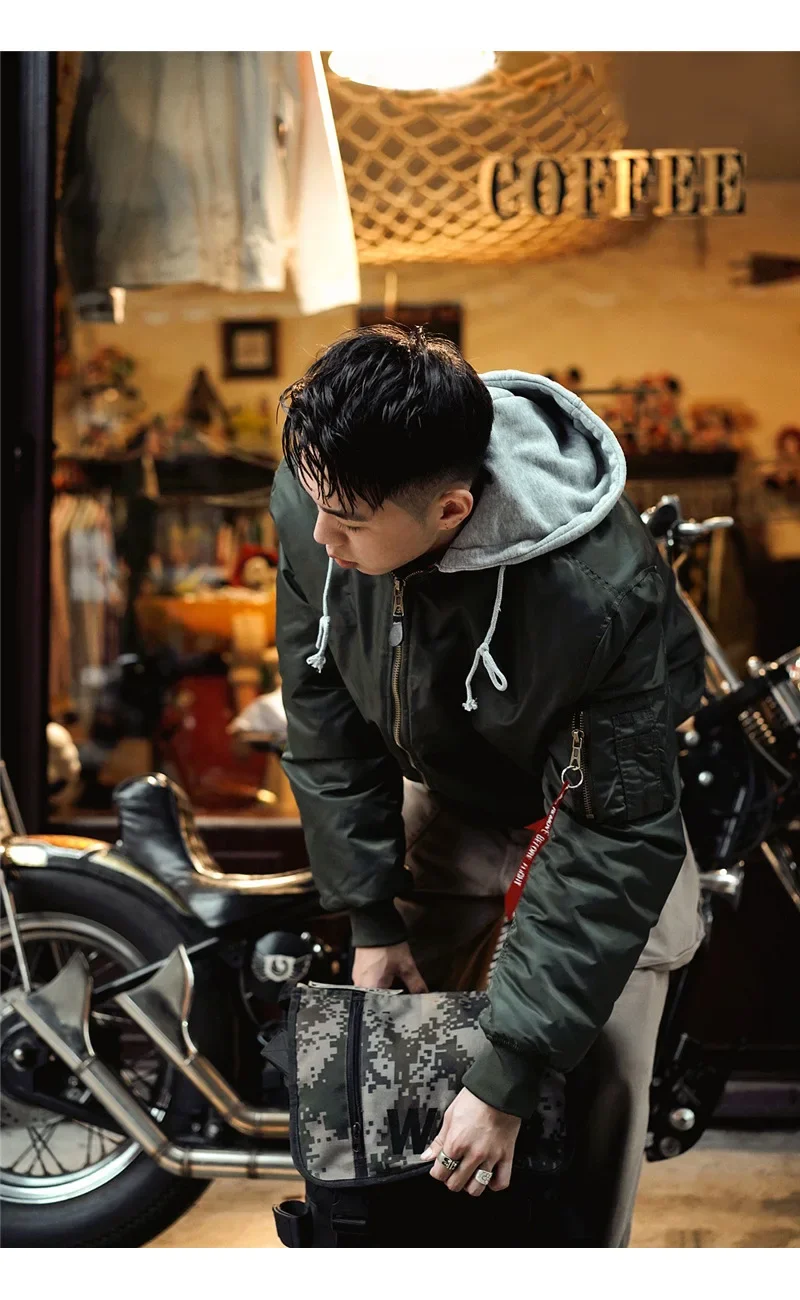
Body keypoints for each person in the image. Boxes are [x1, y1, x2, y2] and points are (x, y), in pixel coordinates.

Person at [271, 325, 706, 1247]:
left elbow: (615, 832)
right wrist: (370, 915)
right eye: (313, 504)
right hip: (450, 803)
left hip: (597, 816)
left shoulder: (599, 591)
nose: (319, 536)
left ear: (450, 509)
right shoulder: (324, 488)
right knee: (398, 1110)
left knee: (584, 1103)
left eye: (346, 522)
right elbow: (324, 711)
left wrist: (508, 1073)